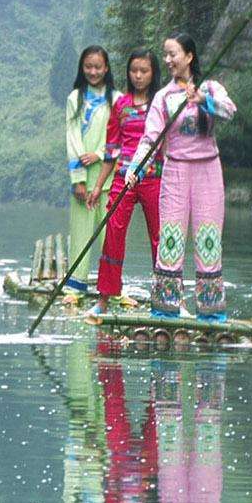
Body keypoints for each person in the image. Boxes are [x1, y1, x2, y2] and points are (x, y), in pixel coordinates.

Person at [124, 34, 236, 321]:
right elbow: (149, 140)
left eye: (173, 54)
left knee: (208, 238)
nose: (168, 60)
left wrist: (203, 100)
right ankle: (165, 310)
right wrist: (133, 170)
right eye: (166, 55)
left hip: (208, 170)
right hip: (175, 171)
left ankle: (211, 313)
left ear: (189, 56)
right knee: (171, 238)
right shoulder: (163, 97)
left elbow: (230, 111)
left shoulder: (211, 86)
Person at [87, 50, 162, 314]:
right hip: (123, 177)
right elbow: (111, 150)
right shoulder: (121, 105)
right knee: (113, 233)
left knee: (160, 238)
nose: (138, 76)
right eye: (134, 71)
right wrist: (98, 186)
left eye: (144, 71)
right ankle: (104, 297)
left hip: (154, 177)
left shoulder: (161, 104)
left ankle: (167, 298)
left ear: (153, 74)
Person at [62, 45, 114, 290]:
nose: (93, 71)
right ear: (82, 69)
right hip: (83, 181)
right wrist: (78, 179)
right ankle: (76, 285)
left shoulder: (117, 99)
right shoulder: (75, 99)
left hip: (109, 179)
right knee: (80, 234)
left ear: (106, 68)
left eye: (98, 67)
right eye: (88, 67)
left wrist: (99, 154)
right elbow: (72, 140)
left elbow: (120, 137)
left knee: (110, 237)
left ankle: (111, 287)